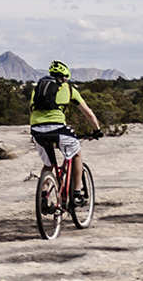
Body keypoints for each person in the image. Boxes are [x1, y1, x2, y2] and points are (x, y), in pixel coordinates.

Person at [29, 60, 102, 207]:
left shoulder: (37, 89)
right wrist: (97, 130)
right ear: (65, 77)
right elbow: (88, 113)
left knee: (48, 164)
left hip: (36, 130)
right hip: (57, 129)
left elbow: (31, 110)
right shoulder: (69, 89)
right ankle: (76, 192)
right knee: (76, 154)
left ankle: (43, 197)